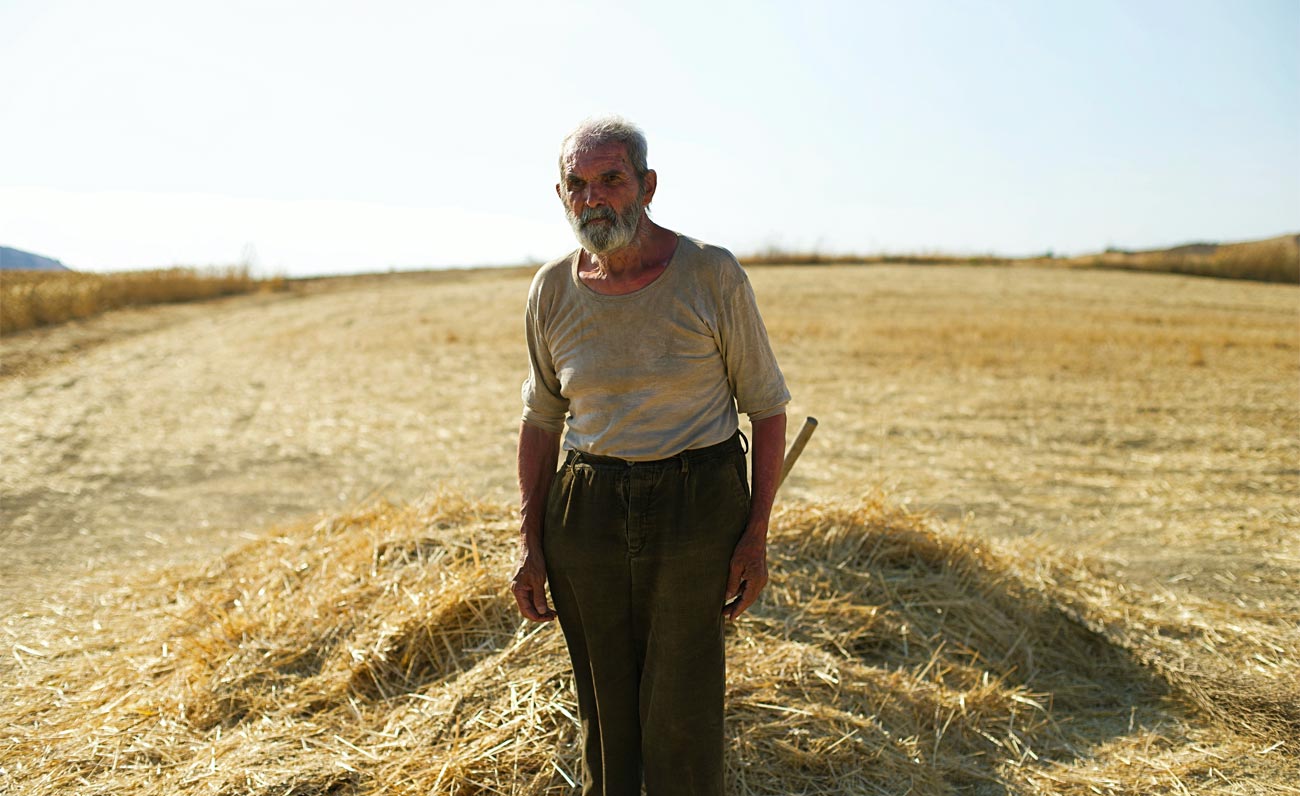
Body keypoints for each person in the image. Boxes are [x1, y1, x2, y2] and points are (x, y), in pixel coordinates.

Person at [510, 115, 789, 796]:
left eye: (611, 179)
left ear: (648, 186)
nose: (593, 197)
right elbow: (542, 421)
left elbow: (767, 407)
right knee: (604, 703)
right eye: (577, 184)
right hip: (588, 513)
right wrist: (528, 539)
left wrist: (755, 535)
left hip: (696, 507)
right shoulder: (551, 290)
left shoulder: (709, 274)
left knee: (682, 706)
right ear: (560, 195)